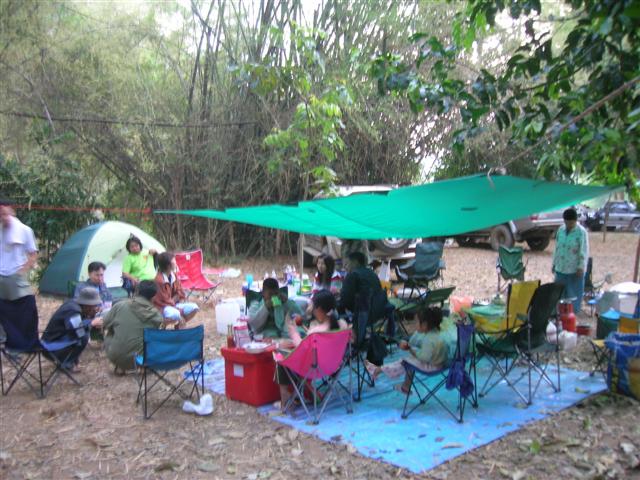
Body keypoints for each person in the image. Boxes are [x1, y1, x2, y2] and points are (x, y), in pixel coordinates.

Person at [277, 290, 348, 411]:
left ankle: (286, 399)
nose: (312, 310)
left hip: (315, 368)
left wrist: (293, 332)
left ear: (319, 309)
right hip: (334, 366)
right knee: (300, 358)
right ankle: (304, 393)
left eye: (313, 307)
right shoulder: (343, 325)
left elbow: (302, 349)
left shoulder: (316, 332)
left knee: (282, 358)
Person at [366, 306, 449, 394]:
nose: (414, 325)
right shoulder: (438, 334)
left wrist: (409, 349)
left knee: (404, 362)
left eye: (416, 322)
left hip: (432, 367)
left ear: (424, 324)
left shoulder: (428, 339)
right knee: (410, 361)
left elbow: (423, 358)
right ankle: (405, 386)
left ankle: (378, 370)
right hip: (441, 364)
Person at [103, 280, 176, 372]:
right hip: (140, 360)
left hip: (114, 356)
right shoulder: (157, 316)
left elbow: (105, 323)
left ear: (136, 292)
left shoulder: (120, 305)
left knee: (111, 328)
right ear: (154, 297)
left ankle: (121, 362)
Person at [0, 199, 39, 347]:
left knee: (26, 307)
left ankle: (25, 341)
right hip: (1, 276)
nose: (3, 218)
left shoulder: (24, 230)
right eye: (0, 215)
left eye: (5, 214)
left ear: (12, 211)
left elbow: (33, 254)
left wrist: (22, 271)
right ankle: (5, 340)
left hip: (16, 277)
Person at [41, 287, 103, 371]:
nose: (96, 307)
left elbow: (77, 325)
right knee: (84, 336)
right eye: (94, 305)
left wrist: (91, 316)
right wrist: (92, 323)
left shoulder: (74, 304)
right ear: (87, 305)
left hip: (53, 339)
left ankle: (71, 361)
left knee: (84, 332)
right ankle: (66, 364)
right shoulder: (73, 310)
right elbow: (78, 332)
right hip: (50, 346)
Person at [552, 207, 589, 313]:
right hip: (561, 268)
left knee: (573, 296)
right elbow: (557, 247)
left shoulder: (581, 232)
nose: (569, 225)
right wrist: (554, 263)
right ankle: (559, 314)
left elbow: (584, 250)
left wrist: (581, 267)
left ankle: (573, 314)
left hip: (574, 270)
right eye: (567, 222)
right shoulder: (561, 230)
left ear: (575, 221)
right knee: (559, 294)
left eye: (571, 223)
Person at [152, 252, 199, 326]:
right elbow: (163, 301)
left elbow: (181, 292)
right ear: (168, 265)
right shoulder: (159, 280)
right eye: (174, 261)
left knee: (194, 308)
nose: (176, 262)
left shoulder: (174, 275)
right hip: (162, 307)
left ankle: (179, 326)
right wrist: (176, 300)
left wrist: (177, 298)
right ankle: (162, 326)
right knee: (176, 314)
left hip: (173, 304)